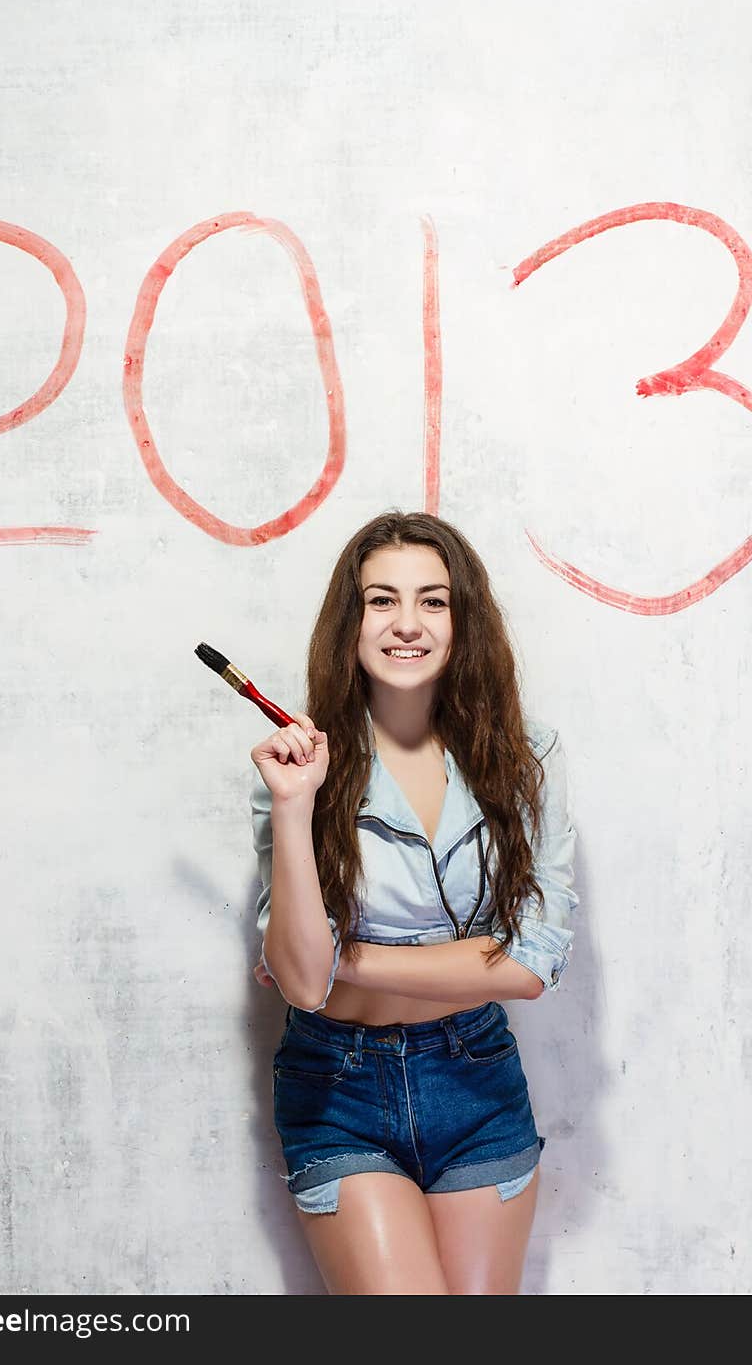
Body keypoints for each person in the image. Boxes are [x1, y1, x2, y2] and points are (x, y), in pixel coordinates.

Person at [248, 510, 579, 1294]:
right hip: (338, 1083)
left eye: (433, 601)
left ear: (463, 621)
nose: (407, 624)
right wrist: (296, 807)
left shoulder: (530, 757)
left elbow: (531, 961)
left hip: (475, 1077)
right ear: (350, 622)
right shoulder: (299, 766)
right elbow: (301, 982)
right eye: (381, 600)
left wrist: (349, 960)